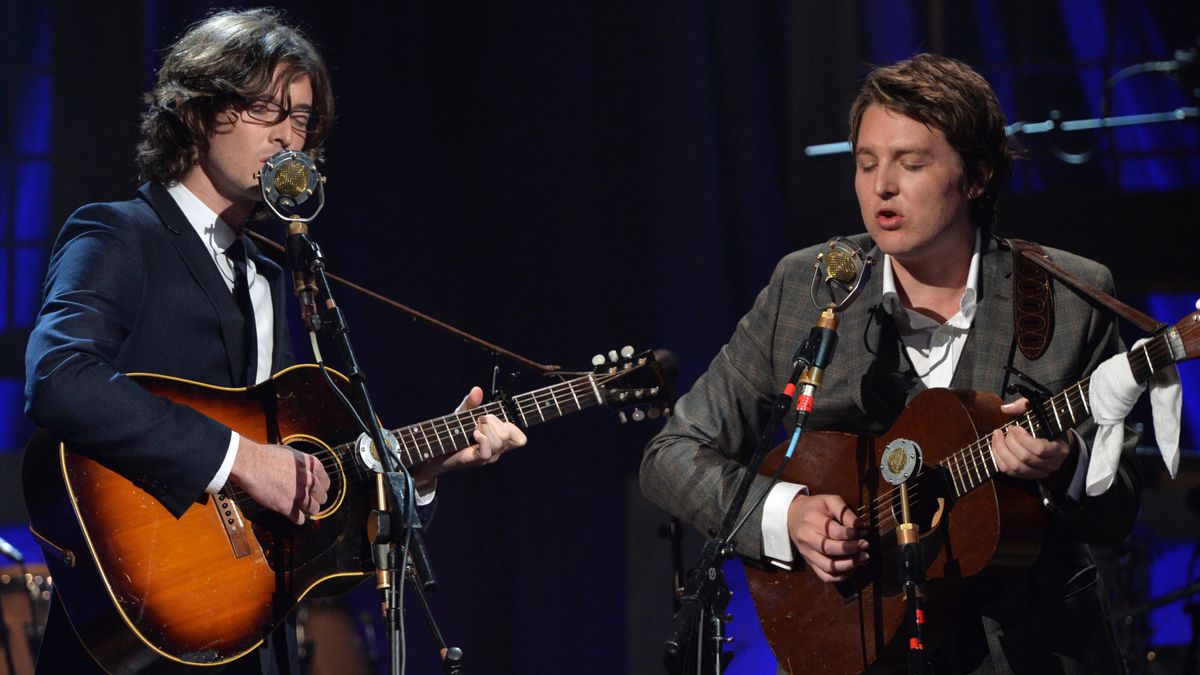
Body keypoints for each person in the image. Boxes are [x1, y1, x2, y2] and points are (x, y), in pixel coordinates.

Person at [23, 8, 526, 674]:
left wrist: (422, 469)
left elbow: (304, 504)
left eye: (303, 122)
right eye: (266, 110)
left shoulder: (269, 276)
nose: (289, 138)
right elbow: (59, 375)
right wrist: (239, 458)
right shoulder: (120, 234)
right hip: (130, 629)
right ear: (199, 111)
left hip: (247, 638)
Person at [641, 53, 1140, 673]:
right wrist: (787, 513)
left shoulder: (1067, 298)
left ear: (978, 177)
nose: (881, 186)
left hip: (1030, 647)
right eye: (867, 163)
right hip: (857, 640)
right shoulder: (807, 288)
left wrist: (1065, 467)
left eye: (911, 163)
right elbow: (673, 454)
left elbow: (1119, 501)